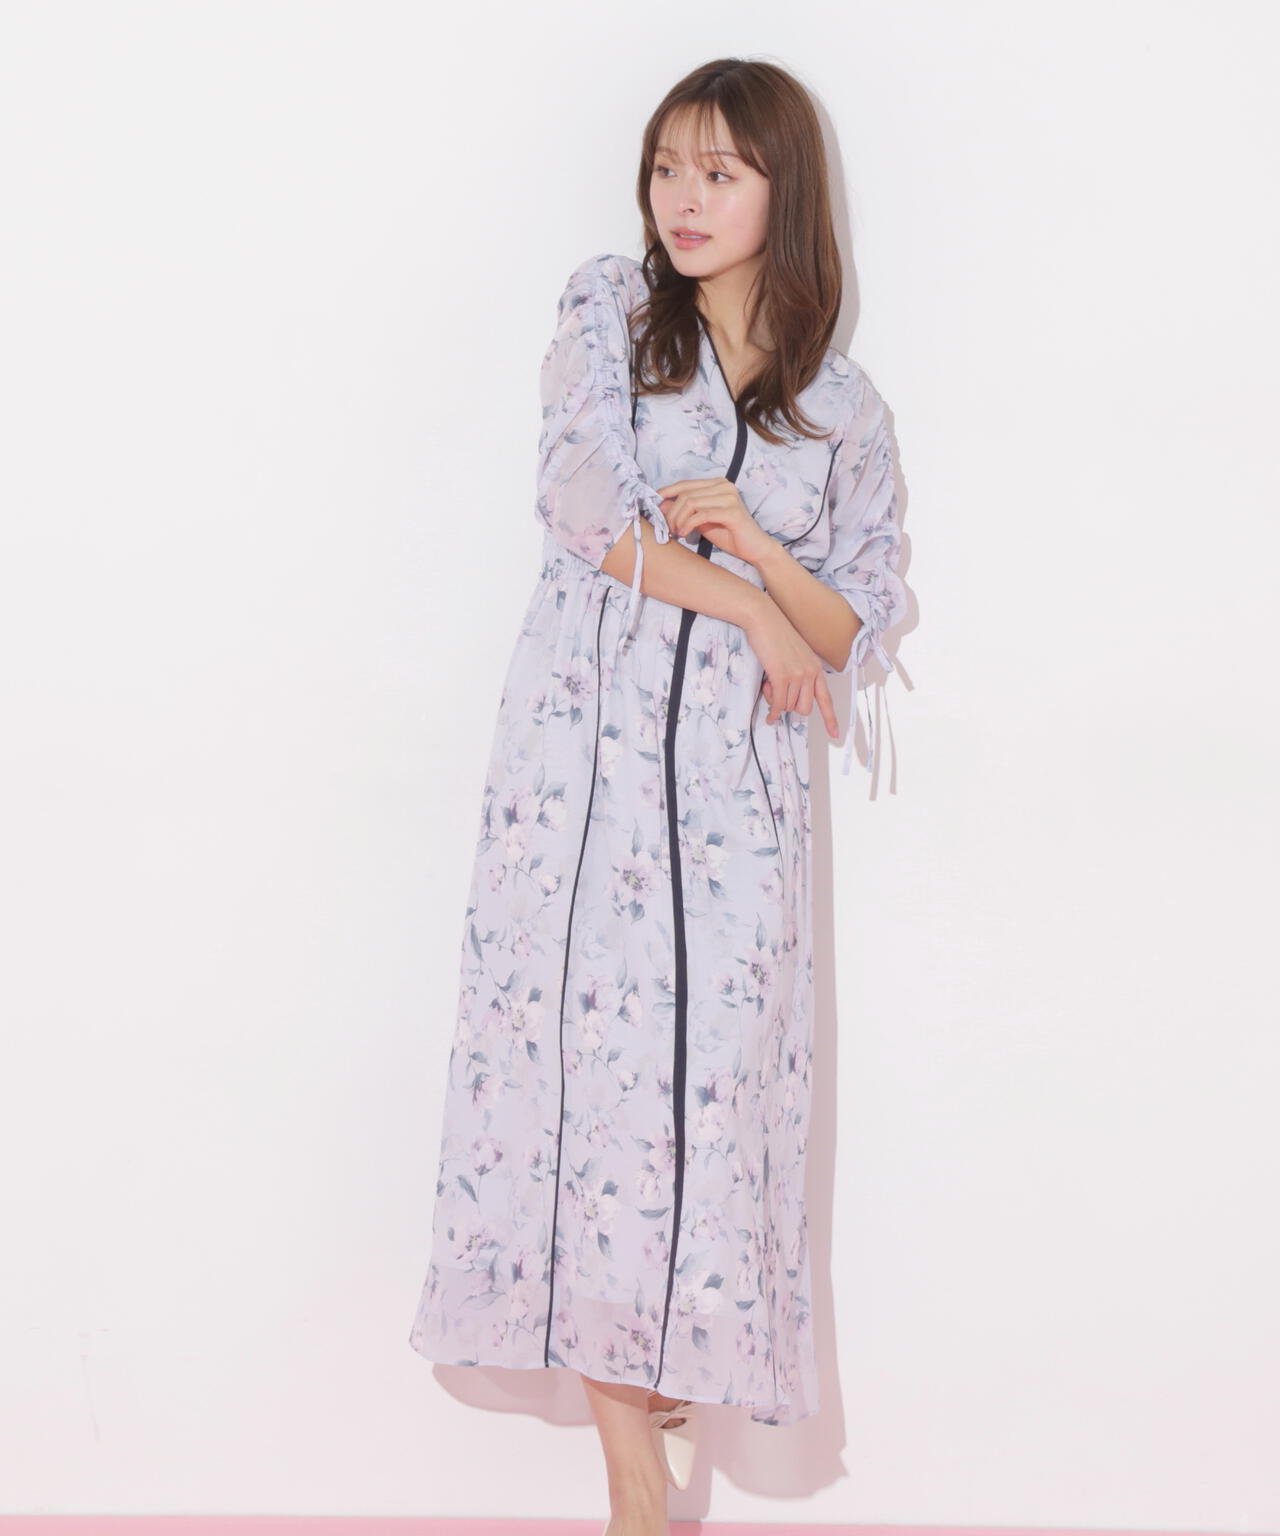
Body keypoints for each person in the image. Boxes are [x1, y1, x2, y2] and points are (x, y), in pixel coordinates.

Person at [408, 56, 908, 1536]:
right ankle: (635, 1485)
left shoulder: (842, 408)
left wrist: (755, 546)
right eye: (667, 167)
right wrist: (744, 605)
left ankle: (676, 1387)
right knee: (589, 1093)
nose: (684, 199)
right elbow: (580, 509)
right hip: (586, 785)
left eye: (721, 173)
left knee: (711, 1104)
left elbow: (849, 626)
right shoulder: (612, 318)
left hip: (744, 812)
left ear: (782, 192)